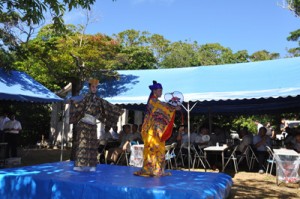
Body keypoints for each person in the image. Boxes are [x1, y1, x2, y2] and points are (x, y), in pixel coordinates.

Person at [69, 78, 123, 172]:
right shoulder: (85, 97)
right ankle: (79, 165)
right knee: (82, 144)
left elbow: (106, 108)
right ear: (90, 88)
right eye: (93, 87)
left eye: (96, 87)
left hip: (93, 124)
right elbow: (79, 107)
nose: (94, 88)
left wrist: (117, 111)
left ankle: (92, 165)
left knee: (93, 145)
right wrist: (74, 105)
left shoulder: (99, 100)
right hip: (84, 124)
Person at [134, 81, 180, 177]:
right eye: (159, 90)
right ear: (154, 91)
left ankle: (158, 170)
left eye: (161, 90)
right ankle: (151, 170)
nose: (161, 92)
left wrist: (173, 107)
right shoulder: (153, 101)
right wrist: (174, 107)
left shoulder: (155, 101)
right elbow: (162, 107)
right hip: (151, 131)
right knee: (152, 150)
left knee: (159, 149)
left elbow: (163, 106)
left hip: (156, 131)